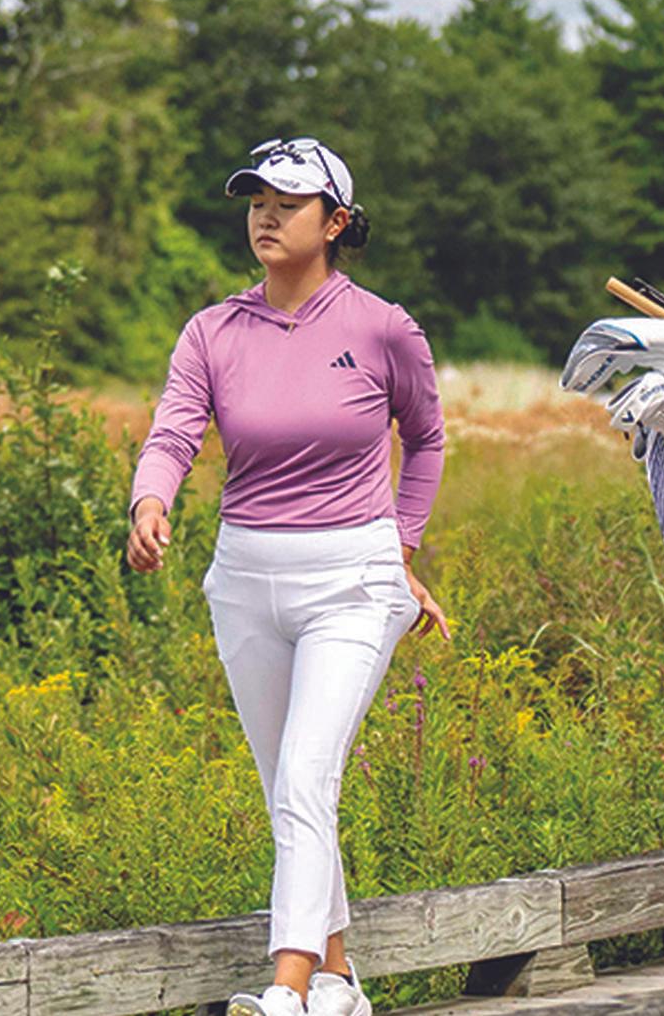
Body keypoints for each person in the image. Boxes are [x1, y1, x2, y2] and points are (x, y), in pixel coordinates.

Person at [126, 137, 448, 1016]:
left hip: (352, 580)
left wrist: (402, 551)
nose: (266, 215)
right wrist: (148, 503)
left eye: (289, 202)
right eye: (256, 199)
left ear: (335, 222)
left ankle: (286, 990)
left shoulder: (384, 328)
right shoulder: (212, 330)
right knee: (288, 791)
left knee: (307, 777)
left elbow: (426, 440)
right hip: (245, 580)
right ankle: (340, 983)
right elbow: (173, 434)